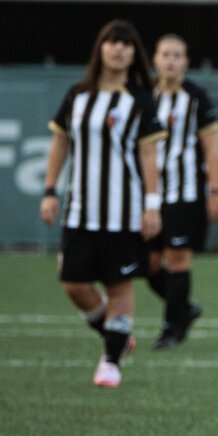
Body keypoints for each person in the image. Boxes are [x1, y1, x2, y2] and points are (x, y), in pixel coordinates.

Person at [40, 19, 166, 388]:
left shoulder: (140, 100)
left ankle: (110, 361)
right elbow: (60, 144)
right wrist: (49, 191)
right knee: (74, 285)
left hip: (123, 214)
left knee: (119, 286)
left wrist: (152, 204)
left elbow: (148, 156)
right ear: (101, 48)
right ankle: (116, 337)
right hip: (79, 210)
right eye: (112, 41)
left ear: (134, 54)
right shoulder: (77, 95)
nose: (118, 48)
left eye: (126, 43)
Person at [147, 33, 218, 349]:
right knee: (146, 263)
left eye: (177, 55)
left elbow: (211, 150)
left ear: (186, 62)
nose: (171, 61)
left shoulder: (196, 98)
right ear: (155, 59)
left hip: (185, 193)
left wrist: (214, 192)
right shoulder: (143, 95)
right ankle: (185, 308)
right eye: (165, 54)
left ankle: (171, 328)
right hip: (149, 196)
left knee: (178, 261)